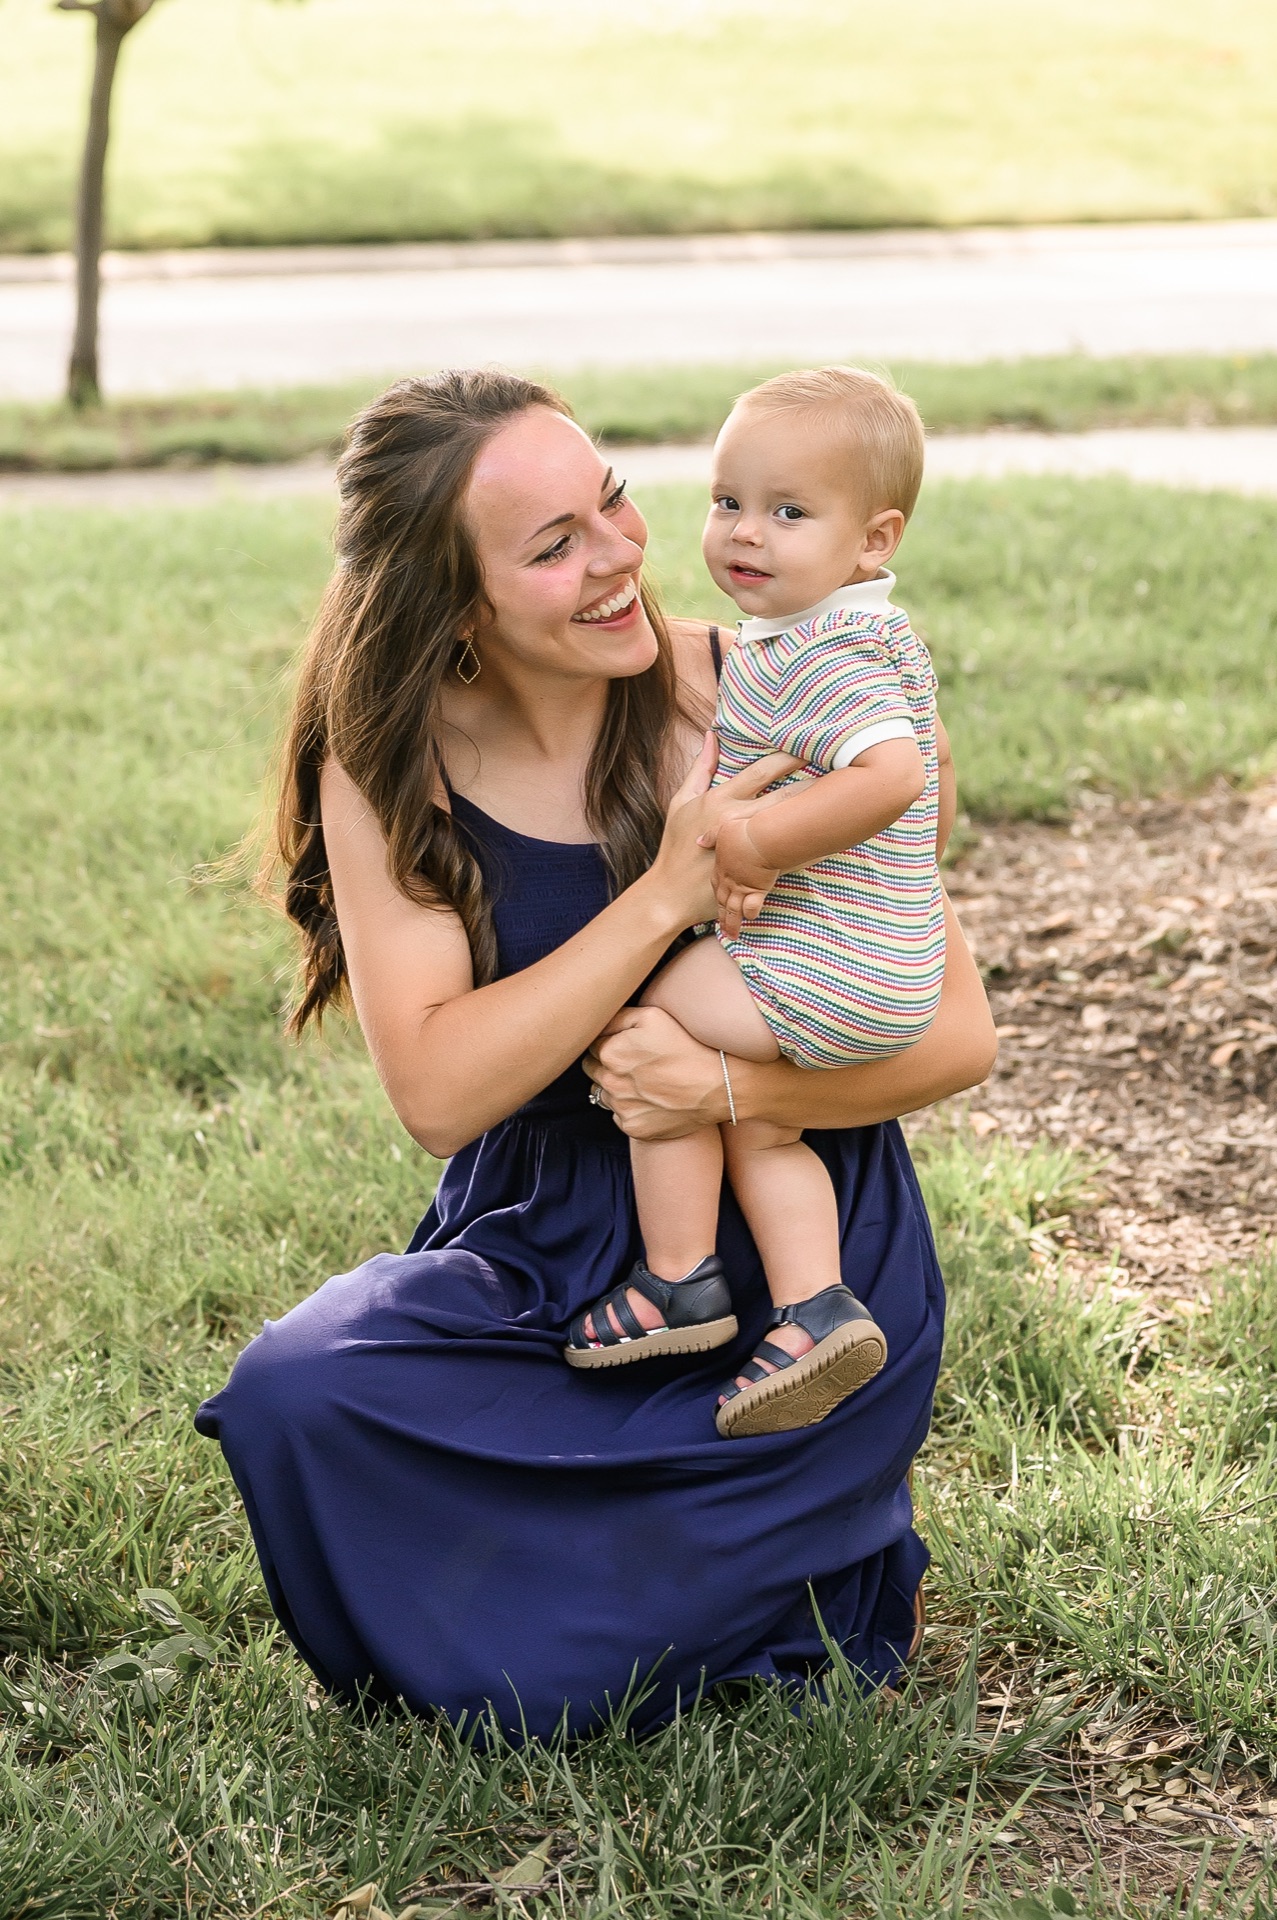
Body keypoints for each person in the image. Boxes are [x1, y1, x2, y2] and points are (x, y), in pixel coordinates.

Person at [195, 368, 996, 1743]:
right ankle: (706, 1575)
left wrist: (728, 1088)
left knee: (596, 1671)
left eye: (611, 500)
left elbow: (957, 1034)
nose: (620, 555)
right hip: (551, 1248)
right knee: (297, 1392)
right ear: (456, 606)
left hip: (794, 1253)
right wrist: (665, 899)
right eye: (553, 546)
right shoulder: (389, 763)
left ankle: (796, 1555)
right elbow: (439, 1095)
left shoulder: (772, 685)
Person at [565, 368, 949, 1446]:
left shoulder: (813, 657)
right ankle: (813, 1309)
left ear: (872, 540)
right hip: (886, 976)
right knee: (762, 1126)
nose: (744, 533)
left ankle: (679, 1276)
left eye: (787, 512)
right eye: (727, 501)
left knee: (637, 990)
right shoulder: (869, 634)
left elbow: (888, 778)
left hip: (824, 977)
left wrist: (743, 839)